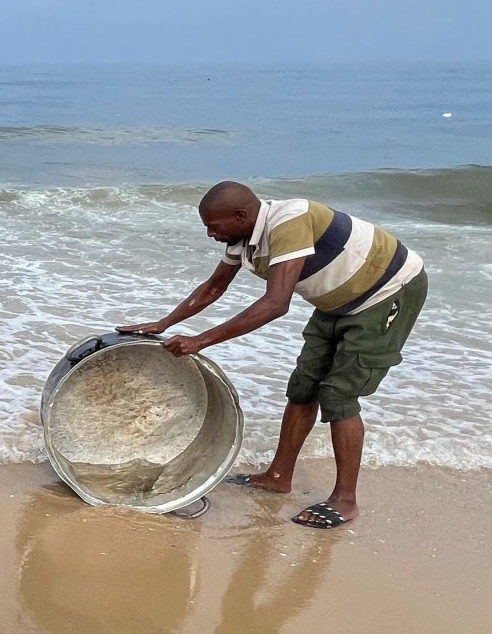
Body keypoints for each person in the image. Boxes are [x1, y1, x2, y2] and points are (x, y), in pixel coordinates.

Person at [118, 181, 427, 530]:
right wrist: (164, 322)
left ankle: (345, 500)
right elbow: (215, 286)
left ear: (241, 215)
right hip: (335, 301)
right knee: (303, 387)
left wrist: (200, 341)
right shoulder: (242, 239)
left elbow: (275, 303)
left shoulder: (289, 221)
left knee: (339, 394)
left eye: (214, 226)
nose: (210, 234)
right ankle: (278, 475)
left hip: (386, 293)